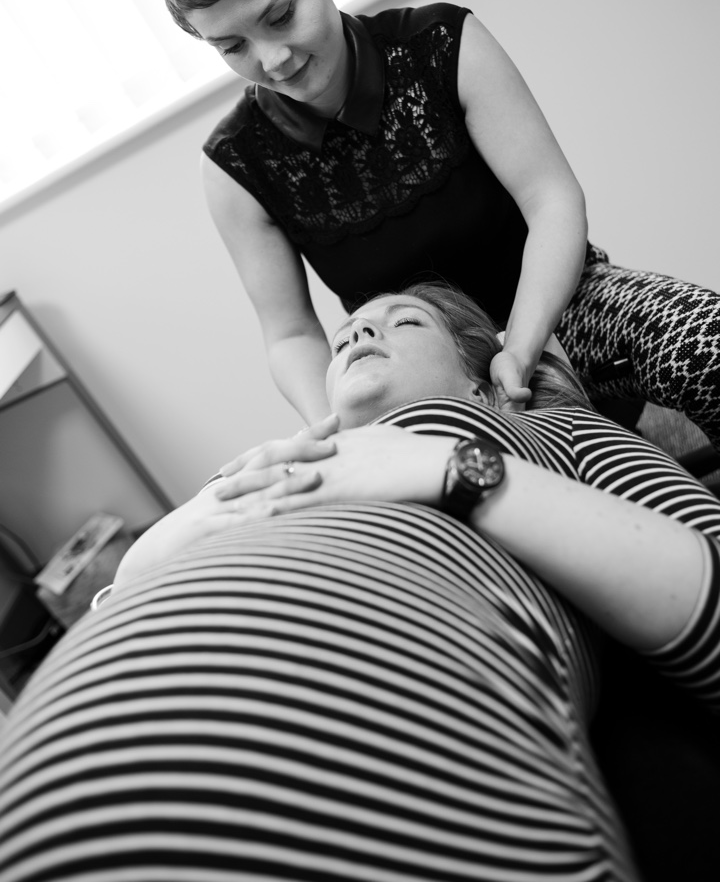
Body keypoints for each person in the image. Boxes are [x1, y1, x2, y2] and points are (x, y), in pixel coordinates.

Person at [2, 283, 719, 882]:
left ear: (481, 376)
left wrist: (456, 472)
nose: (358, 334)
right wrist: (137, 572)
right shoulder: (271, 461)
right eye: (347, 332)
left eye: (403, 322)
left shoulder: (553, 435)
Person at [150, 0, 720, 447]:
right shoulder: (234, 165)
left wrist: (520, 347)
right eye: (233, 47)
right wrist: (339, 426)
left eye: (281, 16)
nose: (272, 61)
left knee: (708, 343)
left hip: (562, 306)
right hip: (417, 378)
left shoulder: (444, 44)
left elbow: (552, 200)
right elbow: (291, 332)